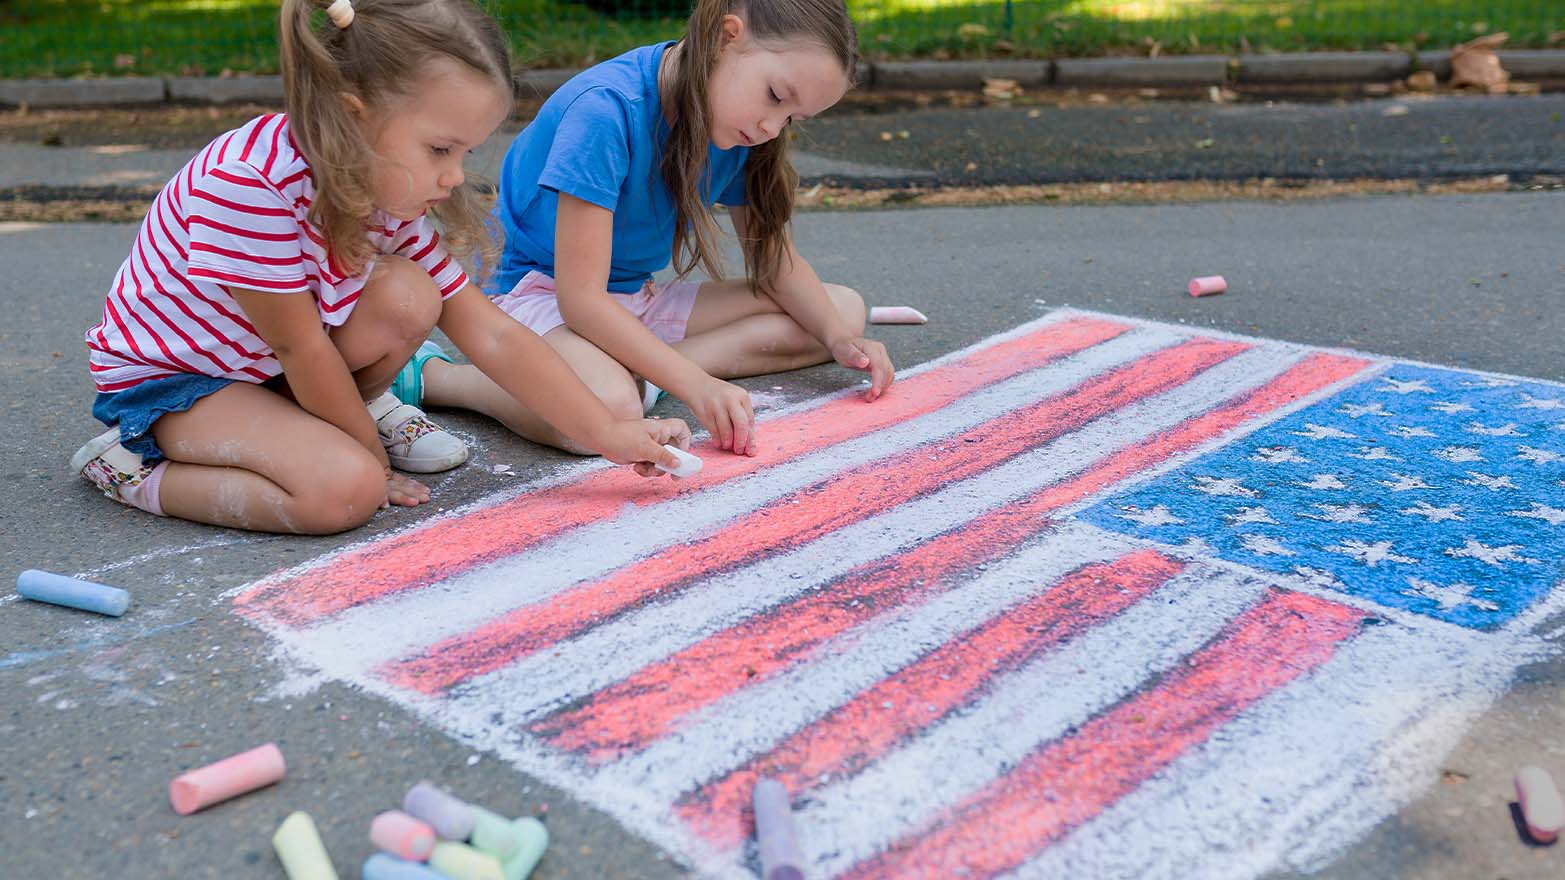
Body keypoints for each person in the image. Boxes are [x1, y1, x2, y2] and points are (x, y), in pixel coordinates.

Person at [69, 0, 690, 535]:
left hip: (261, 365)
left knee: (409, 296)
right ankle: (131, 469)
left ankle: (330, 422)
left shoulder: (378, 186)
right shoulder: (249, 189)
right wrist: (370, 460)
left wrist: (609, 432)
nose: (453, 177)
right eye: (440, 150)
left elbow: (492, 332)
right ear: (354, 116)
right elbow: (302, 348)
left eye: (465, 152)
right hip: (179, 383)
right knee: (344, 490)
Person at [394, 0, 895, 459]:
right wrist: (697, 385)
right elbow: (581, 300)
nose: (771, 127)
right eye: (775, 97)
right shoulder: (605, 111)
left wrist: (836, 338)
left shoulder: (743, 130)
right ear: (727, 37)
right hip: (539, 298)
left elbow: (775, 264)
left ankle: (642, 367)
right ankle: (443, 379)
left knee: (842, 312)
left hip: (634, 299)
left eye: (791, 118)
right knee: (610, 407)